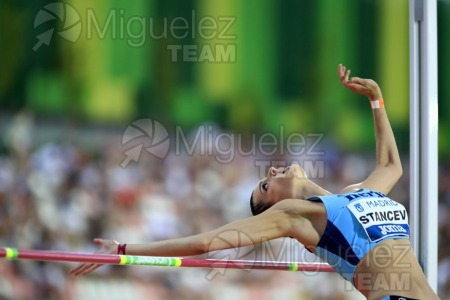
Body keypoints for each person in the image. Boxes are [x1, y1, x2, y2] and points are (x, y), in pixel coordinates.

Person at [70, 65, 439, 300]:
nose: (272, 172)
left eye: (266, 176)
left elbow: (391, 165)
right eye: (265, 185)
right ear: (275, 205)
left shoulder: (356, 194)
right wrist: (122, 250)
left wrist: (376, 100)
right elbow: (204, 242)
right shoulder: (297, 216)